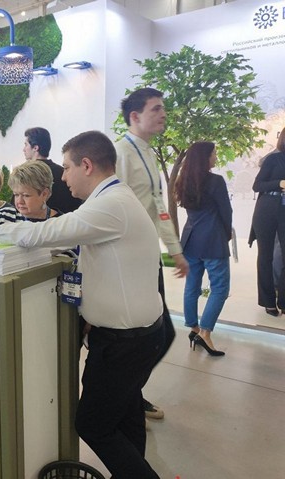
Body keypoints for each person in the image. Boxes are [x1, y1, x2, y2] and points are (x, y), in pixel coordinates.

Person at [0, 131, 163, 478]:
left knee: (93, 424)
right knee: (126, 420)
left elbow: (42, 233)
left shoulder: (109, 205)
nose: (63, 177)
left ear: (87, 165)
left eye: (67, 168)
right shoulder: (114, 198)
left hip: (124, 343)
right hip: (135, 337)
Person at [114, 87, 188, 420]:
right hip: (128, 261)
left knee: (159, 335)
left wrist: (175, 250)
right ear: (135, 116)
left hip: (148, 259)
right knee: (155, 334)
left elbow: (158, 206)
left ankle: (129, 395)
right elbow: (111, 208)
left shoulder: (147, 152)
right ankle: (126, 398)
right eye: (156, 108)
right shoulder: (121, 153)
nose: (163, 114)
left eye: (163, 108)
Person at [174, 142, 232, 356]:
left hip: (190, 239)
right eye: (214, 153)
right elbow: (226, 212)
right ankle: (205, 333)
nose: (216, 157)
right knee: (220, 288)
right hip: (213, 240)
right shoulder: (216, 181)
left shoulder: (183, 181)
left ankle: (194, 328)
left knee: (192, 286)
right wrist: (227, 234)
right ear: (205, 157)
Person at [249, 126, 285, 317]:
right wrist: (279, 183)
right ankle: (268, 302)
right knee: (265, 256)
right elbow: (257, 185)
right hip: (267, 208)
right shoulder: (273, 159)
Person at [23, 127, 83, 213]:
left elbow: (18, 206)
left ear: (35, 148)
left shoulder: (26, 174)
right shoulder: (64, 172)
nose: (24, 149)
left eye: (26, 145)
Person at [0, 160, 58, 225]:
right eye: (16, 195)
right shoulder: (5, 216)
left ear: (44, 194)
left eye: (26, 195)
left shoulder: (59, 223)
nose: (19, 201)